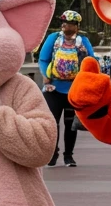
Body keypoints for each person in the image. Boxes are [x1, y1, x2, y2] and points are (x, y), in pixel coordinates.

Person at [38, 10, 95, 167]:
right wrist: (45, 75)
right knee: (52, 123)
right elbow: (43, 58)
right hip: (53, 88)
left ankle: (69, 156)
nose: (64, 24)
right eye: (62, 21)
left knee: (71, 124)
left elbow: (92, 61)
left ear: (76, 26)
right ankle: (53, 153)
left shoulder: (83, 41)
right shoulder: (53, 39)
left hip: (74, 89)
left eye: (68, 22)